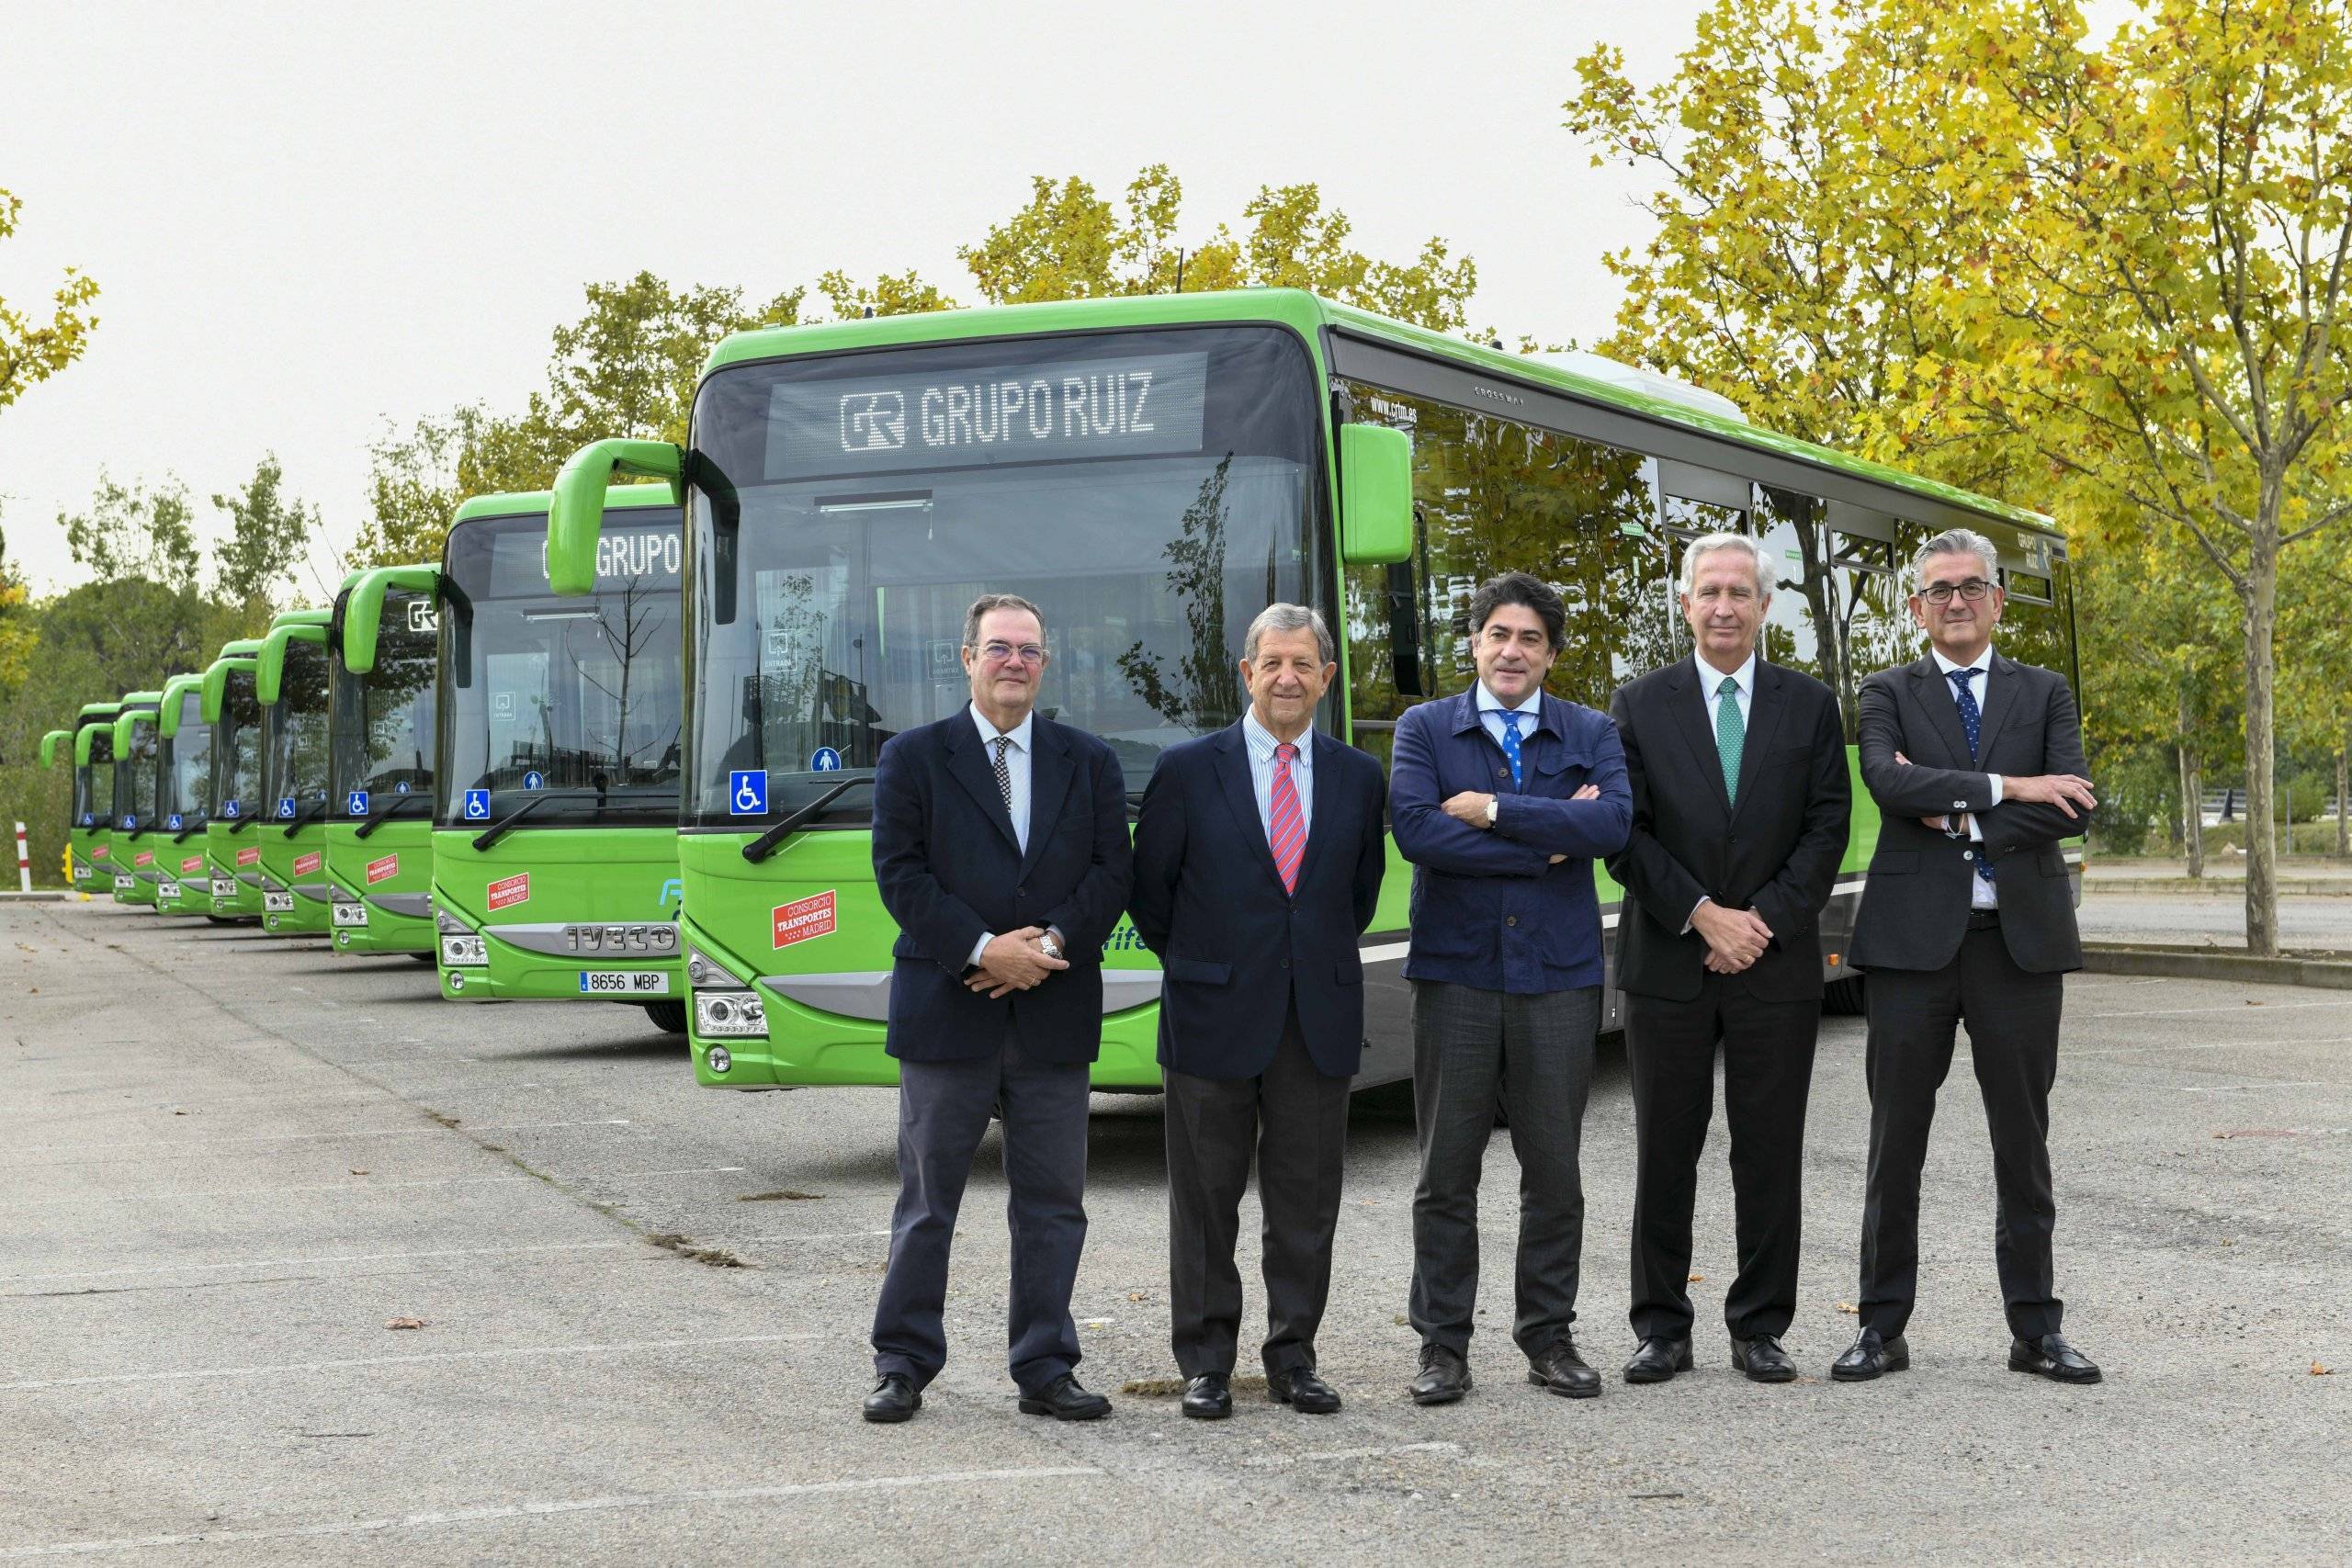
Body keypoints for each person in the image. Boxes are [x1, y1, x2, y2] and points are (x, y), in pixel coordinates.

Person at [1837, 528, 2101, 1385]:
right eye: (1939, 588)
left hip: (2017, 948)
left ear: (1996, 599)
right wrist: (2013, 787)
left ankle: (2035, 1330)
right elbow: (1887, 782)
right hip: (1913, 948)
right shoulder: (1886, 690)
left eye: (1972, 586)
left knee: (2023, 1144)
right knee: (1894, 1142)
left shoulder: (2046, 690)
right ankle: (1881, 1327)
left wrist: (1956, 812)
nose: (1956, 600)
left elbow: (2076, 804)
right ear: (1916, 606)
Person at [863, 593, 1135, 1423]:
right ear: (967, 657)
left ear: (1045, 663)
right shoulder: (912, 757)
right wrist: (986, 950)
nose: (1013, 661)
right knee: (926, 1201)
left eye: (1029, 649)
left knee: (1053, 1204)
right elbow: (900, 873)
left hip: (1050, 1013)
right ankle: (903, 1363)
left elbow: (1111, 872)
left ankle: (1046, 1365)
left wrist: (1044, 949)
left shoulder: (1088, 760)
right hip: (949, 1012)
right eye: (999, 647)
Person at [1130, 604, 1388, 1421]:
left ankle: (1294, 1356)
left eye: (1302, 664)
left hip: (1316, 1016)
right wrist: (1211, 967)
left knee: (1306, 1200)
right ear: (1247, 673)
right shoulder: (1186, 769)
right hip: (1211, 1013)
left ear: (1326, 677)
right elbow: (1152, 896)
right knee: (1205, 1201)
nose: (1286, 677)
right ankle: (1206, 1362)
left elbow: (1355, 893)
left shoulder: (1357, 775)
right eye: (1271, 662)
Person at [1604, 532, 1850, 1386]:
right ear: (1684, 603)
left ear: (1764, 606)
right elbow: (1623, 835)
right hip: (1669, 963)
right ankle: (1661, 1327)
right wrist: (1705, 917)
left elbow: (1828, 829)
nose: (1722, 607)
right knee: (1665, 1151)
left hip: (1774, 968)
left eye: (1739, 592)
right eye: (1708, 591)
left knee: (1769, 1150)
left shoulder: (1810, 705)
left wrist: (1759, 924)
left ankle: (1759, 1325)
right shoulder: (1636, 705)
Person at [1388, 571, 1631, 1405]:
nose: (1512, 651)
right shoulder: (1425, 727)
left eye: (1530, 638)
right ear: (1474, 642)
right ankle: (1442, 1345)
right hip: (1456, 973)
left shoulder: (1591, 729)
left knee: (1554, 1170)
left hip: (1557, 979)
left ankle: (1548, 1335)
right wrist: (1550, 838)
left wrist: (1492, 811)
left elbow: (1612, 825)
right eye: (1498, 634)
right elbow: (1418, 832)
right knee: (1445, 1172)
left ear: (1551, 654)